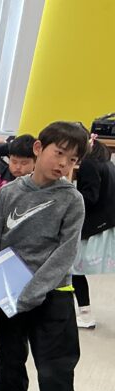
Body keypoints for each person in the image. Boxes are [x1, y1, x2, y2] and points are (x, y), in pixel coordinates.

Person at [0, 121, 88, 391]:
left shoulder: (72, 199)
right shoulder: (10, 192)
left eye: (72, 159)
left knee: (54, 363)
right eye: (58, 153)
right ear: (38, 148)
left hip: (53, 291)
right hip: (10, 285)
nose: (63, 164)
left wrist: (32, 291)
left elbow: (66, 253)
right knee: (9, 356)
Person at [71, 137, 115, 330]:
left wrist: (69, 197)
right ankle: (84, 312)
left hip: (96, 226)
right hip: (107, 224)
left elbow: (90, 197)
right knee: (73, 270)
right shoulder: (107, 163)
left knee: (72, 269)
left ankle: (85, 314)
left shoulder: (89, 164)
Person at [0, 134, 36, 215]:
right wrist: (12, 146)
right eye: (14, 161)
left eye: (24, 163)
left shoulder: (36, 182)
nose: (18, 167)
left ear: (35, 162)